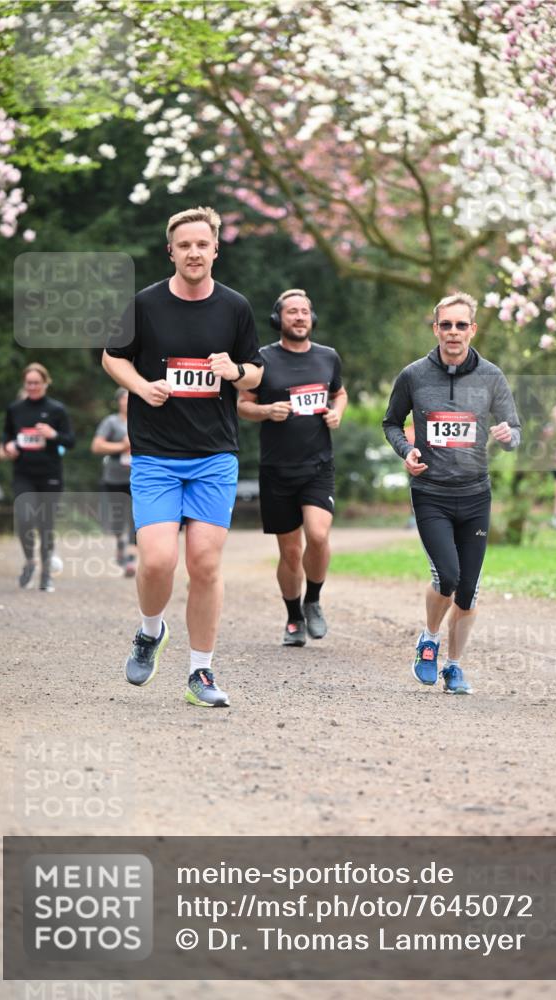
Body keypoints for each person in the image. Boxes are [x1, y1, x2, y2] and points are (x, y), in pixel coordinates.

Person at [101, 206, 263, 708]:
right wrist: (141, 387)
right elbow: (112, 356)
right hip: (155, 454)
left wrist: (233, 370)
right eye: (184, 245)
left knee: (205, 565)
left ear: (216, 249)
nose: (194, 252)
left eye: (202, 244)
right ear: (171, 251)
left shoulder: (235, 308)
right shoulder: (145, 304)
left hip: (215, 455)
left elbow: (257, 372)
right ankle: (151, 631)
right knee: (156, 562)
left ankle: (201, 672)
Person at [383, 291, 521, 695]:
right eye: (447, 325)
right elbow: (391, 422)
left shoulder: (492, 377)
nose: (454, 332)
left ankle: (454, 666)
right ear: (436, 329)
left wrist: (508, 434)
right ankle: (429, 639)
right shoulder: (413, 376)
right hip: (432, 493)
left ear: (473, 329)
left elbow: (514, 429)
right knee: (447, 576)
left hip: (476, 494)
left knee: (469, 587)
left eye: (462, 325)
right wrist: (406, 450)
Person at [237, 289, 347, 646]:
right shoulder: (263, 359)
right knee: (290, 552)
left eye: (304, 311)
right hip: (277, 468)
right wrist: (267, 411)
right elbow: (243, 405)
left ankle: (313, 600)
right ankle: (293, 617)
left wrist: (336, 412)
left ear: (311, 318)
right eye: (291, 312)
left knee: (317, 535)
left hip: (318, 465)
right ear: (278, 319)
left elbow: (339, 393)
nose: (299, 317)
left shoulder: (328, 357)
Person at [0, 362, 75, 592]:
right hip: (23, 474)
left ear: (45, 383)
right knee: (23, 519)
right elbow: (7, 434)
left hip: (50, 475)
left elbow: (70, 440)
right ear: (25, 383)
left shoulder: (57, 410)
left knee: (46, 525)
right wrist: (8, 445)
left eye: (36, 383)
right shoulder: (15, 409)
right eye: (28, 383)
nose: (32, 386)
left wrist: (53, 434)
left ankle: (46, 575)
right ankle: (30, 561)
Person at [91, 387, 137, 576]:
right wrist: (122, 446)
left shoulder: (143, 420)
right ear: (118, 401)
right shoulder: (111, 422)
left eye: (131, 398)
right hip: (114, 477)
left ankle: (131, 559)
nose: (127, 402)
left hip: (139, 477)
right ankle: (120, 546)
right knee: (118, 518)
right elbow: (96, 446)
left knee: (136, 517)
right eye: (125, 399)